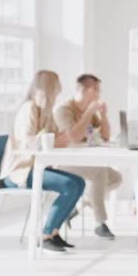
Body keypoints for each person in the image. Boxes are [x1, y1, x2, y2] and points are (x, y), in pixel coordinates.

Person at [0, 70, 85, 252]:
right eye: (58, 85)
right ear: (49, 87)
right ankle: (45, 235)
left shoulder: (46, 111)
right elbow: (27, 142)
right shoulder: (29, 108)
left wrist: (60, 137)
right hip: (19, 172)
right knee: (69, 185)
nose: (61, 89)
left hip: (36, 168)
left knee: (79, 182)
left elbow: (57, 136)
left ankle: (53, 232)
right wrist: (54, 139)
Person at [53, 74, 122, 239]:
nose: (99, 94)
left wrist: (104, 115)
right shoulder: (64, 110)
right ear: (89, 90)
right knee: (100, 172)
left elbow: (105, 136)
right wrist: (90, 111)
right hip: (63, 163)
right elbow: (73, 137)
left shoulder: (88, 112)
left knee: (116, 178)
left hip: (84, 161)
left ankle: (79, 206)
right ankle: (100, 223)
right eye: (98, 90)